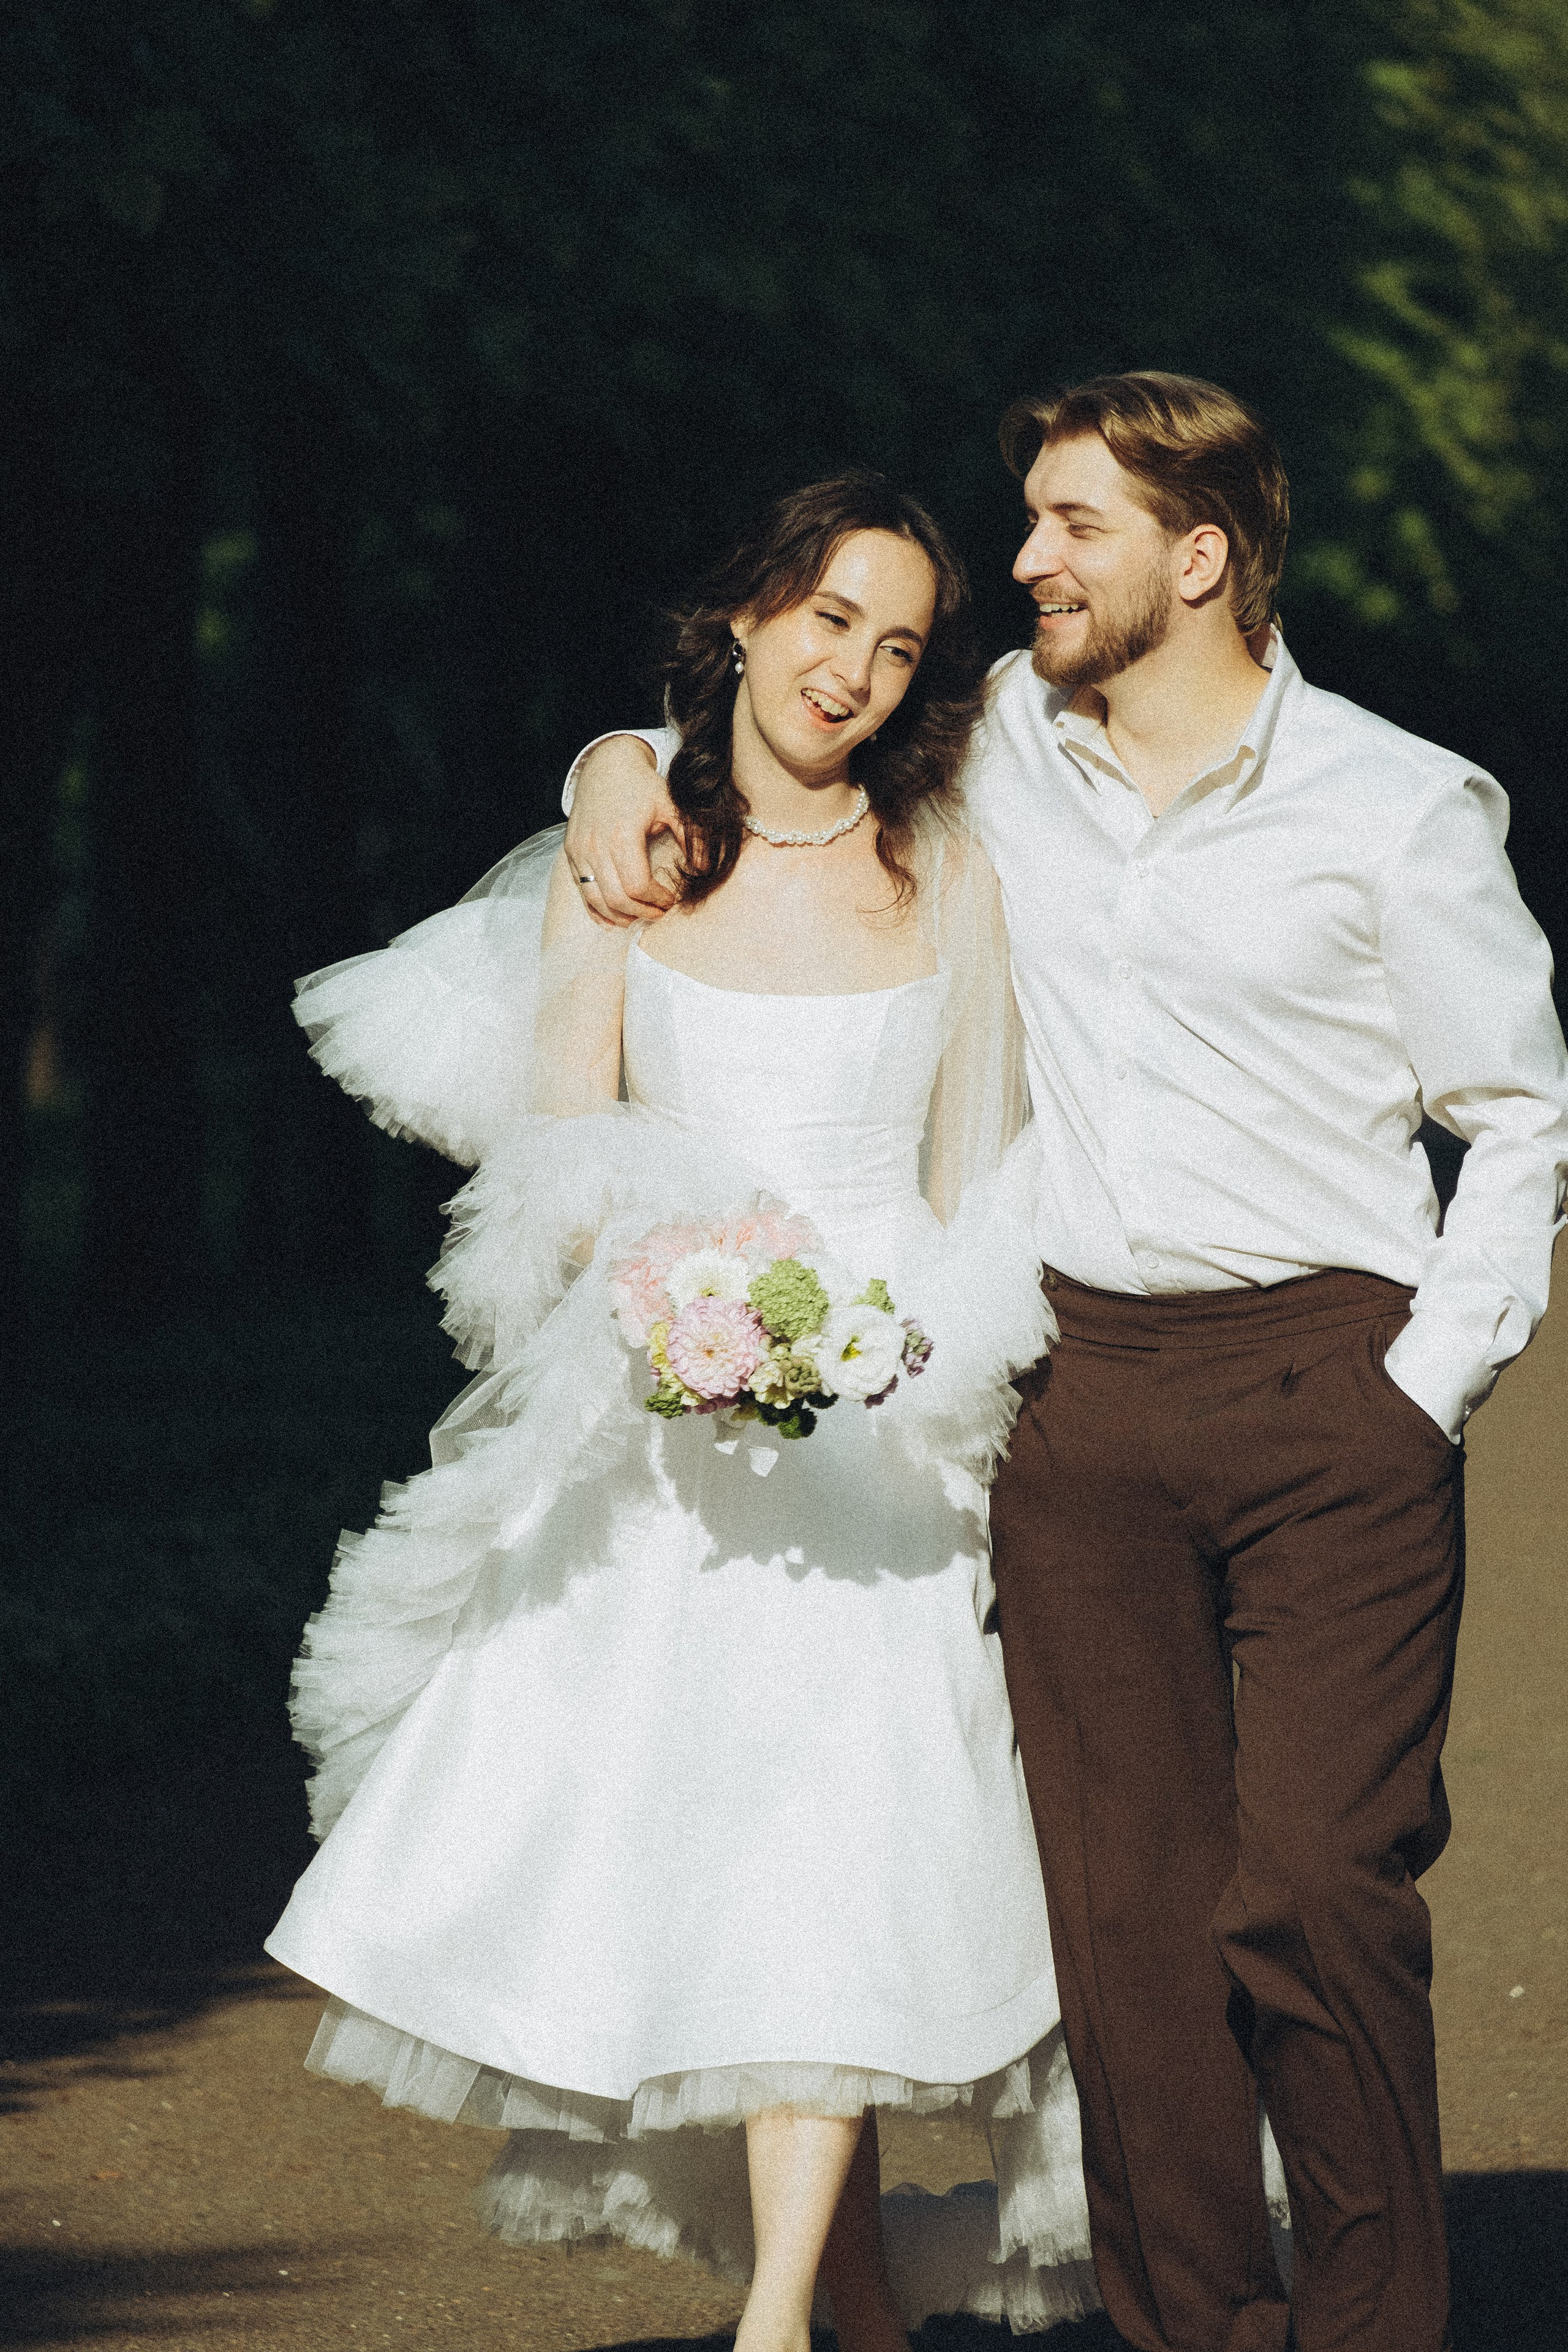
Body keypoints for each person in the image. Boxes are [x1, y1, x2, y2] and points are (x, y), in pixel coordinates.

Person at [562, 373, 1568, 2352]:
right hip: (1081, 1393)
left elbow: (1524, 1113)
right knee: (1126, 1935)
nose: (1026, 559)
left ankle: (1373, 2326)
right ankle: (1189, 2327)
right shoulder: (1006, 738)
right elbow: (775, 737)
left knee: (1315, 1893)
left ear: (1200, 557)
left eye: (1072, 526)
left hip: (1326, 1384)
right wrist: (614, 754)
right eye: (1026, 522)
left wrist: (1415, 1388)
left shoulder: (1398, 806)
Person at [265, 473, 1108, 2352]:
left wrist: (939, 1366)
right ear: (746, 615)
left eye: (897, 648)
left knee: (847, 1845)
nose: (856, 673)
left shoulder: (948, 862)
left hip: (892, 1410)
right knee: (726, 1862)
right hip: (679, 1410)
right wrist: (671, 1307)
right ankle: (846, 2305)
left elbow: (984, 1164)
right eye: (828, 621)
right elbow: (566, 1147)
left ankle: (785, 2321)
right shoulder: (630, 846)